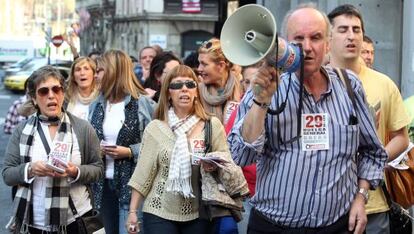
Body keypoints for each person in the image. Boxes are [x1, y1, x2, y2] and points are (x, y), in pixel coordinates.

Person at [228, 4, 388, 234]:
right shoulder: (267, 88)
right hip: (274, 228)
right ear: (283, 43)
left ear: (328, 42)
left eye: (316, 37)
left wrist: (361, 197)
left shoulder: (349, 86)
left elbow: (373, 152)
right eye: (298, 39)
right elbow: (241, 156)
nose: (308, 47)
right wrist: (261, 102)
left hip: (337, 227)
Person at [126, 65, 246, 234]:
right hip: (158, 209)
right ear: (168, 93)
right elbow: (143, 174)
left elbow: (227, 164)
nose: (184, 89)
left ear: (196, 91)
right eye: (177, 85)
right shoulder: (155, 128)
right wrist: (132, 212)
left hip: (200, 211)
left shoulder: (211, 125)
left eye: (190, 85)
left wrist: (214, 165)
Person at [328, 4, 411, 233]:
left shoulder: (384, 84)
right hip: (326, 208)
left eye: (356, 29)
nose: (351, 36)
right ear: (329, 36)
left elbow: (401, 138)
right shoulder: (315, 82)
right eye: (343, 29)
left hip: (373, 205)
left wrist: (373, 163)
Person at [2, 66, 103, 233]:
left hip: (75, 220)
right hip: (34, 222)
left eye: (56, 89)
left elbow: (97, 169)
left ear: (62, 94)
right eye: (43, 91)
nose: (51, 95)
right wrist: (30, 169)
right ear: (34, 99)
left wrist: (74, 171)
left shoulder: (82, 128)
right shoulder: (22, 130)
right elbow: (7, 174)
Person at [89, 49, 155, 234]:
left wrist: (129, 152)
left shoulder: (141, 104)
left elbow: (157, 147)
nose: (95, 75)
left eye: (100, 70)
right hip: (102, 187)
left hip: (133, 188)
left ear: (113, 72)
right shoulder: (96, 104)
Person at [198, 38, 242, 126]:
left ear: (221, 66)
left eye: (204, 64)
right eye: (199, 63)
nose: (199, 69)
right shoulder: (196, 93)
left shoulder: (243, 91)